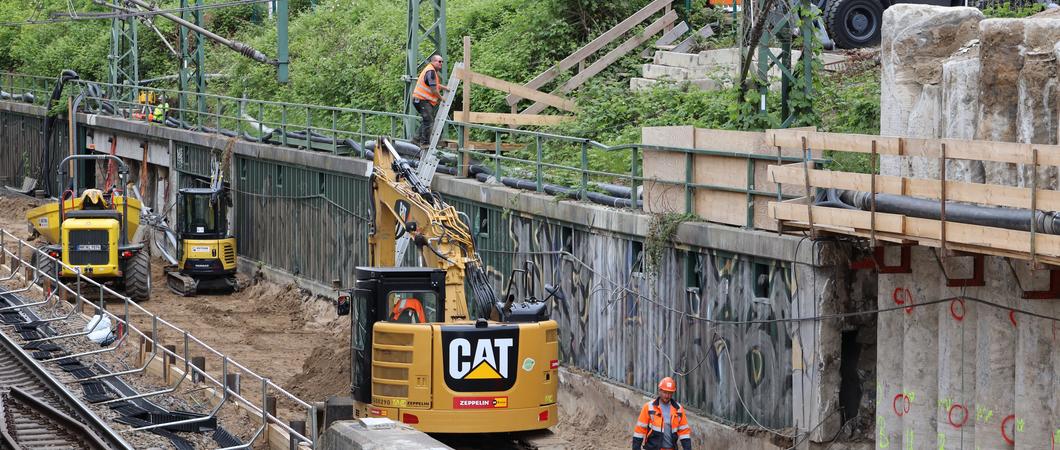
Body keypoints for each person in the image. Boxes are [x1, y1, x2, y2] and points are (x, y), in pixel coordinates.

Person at [632, 377, 692, 450]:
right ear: (659, 391)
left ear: (673, 393)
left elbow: (684, 432)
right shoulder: (649, 407)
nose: (667, 396)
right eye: (665, 392)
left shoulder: (678, 409)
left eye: (670, 393)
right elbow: (639, 430)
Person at [411, 54, 449, 148]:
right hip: (422, 100)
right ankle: (424, 143)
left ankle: (416, 139)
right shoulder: (431, 71)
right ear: (433, 62)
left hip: (419, 99)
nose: (441, 63)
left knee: (427, 120)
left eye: (442, 62)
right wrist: (442, 98)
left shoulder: (430, 70)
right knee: (428, 120)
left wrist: (444, 87)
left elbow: (433, 84)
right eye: (439, 61)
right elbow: (433, 90)